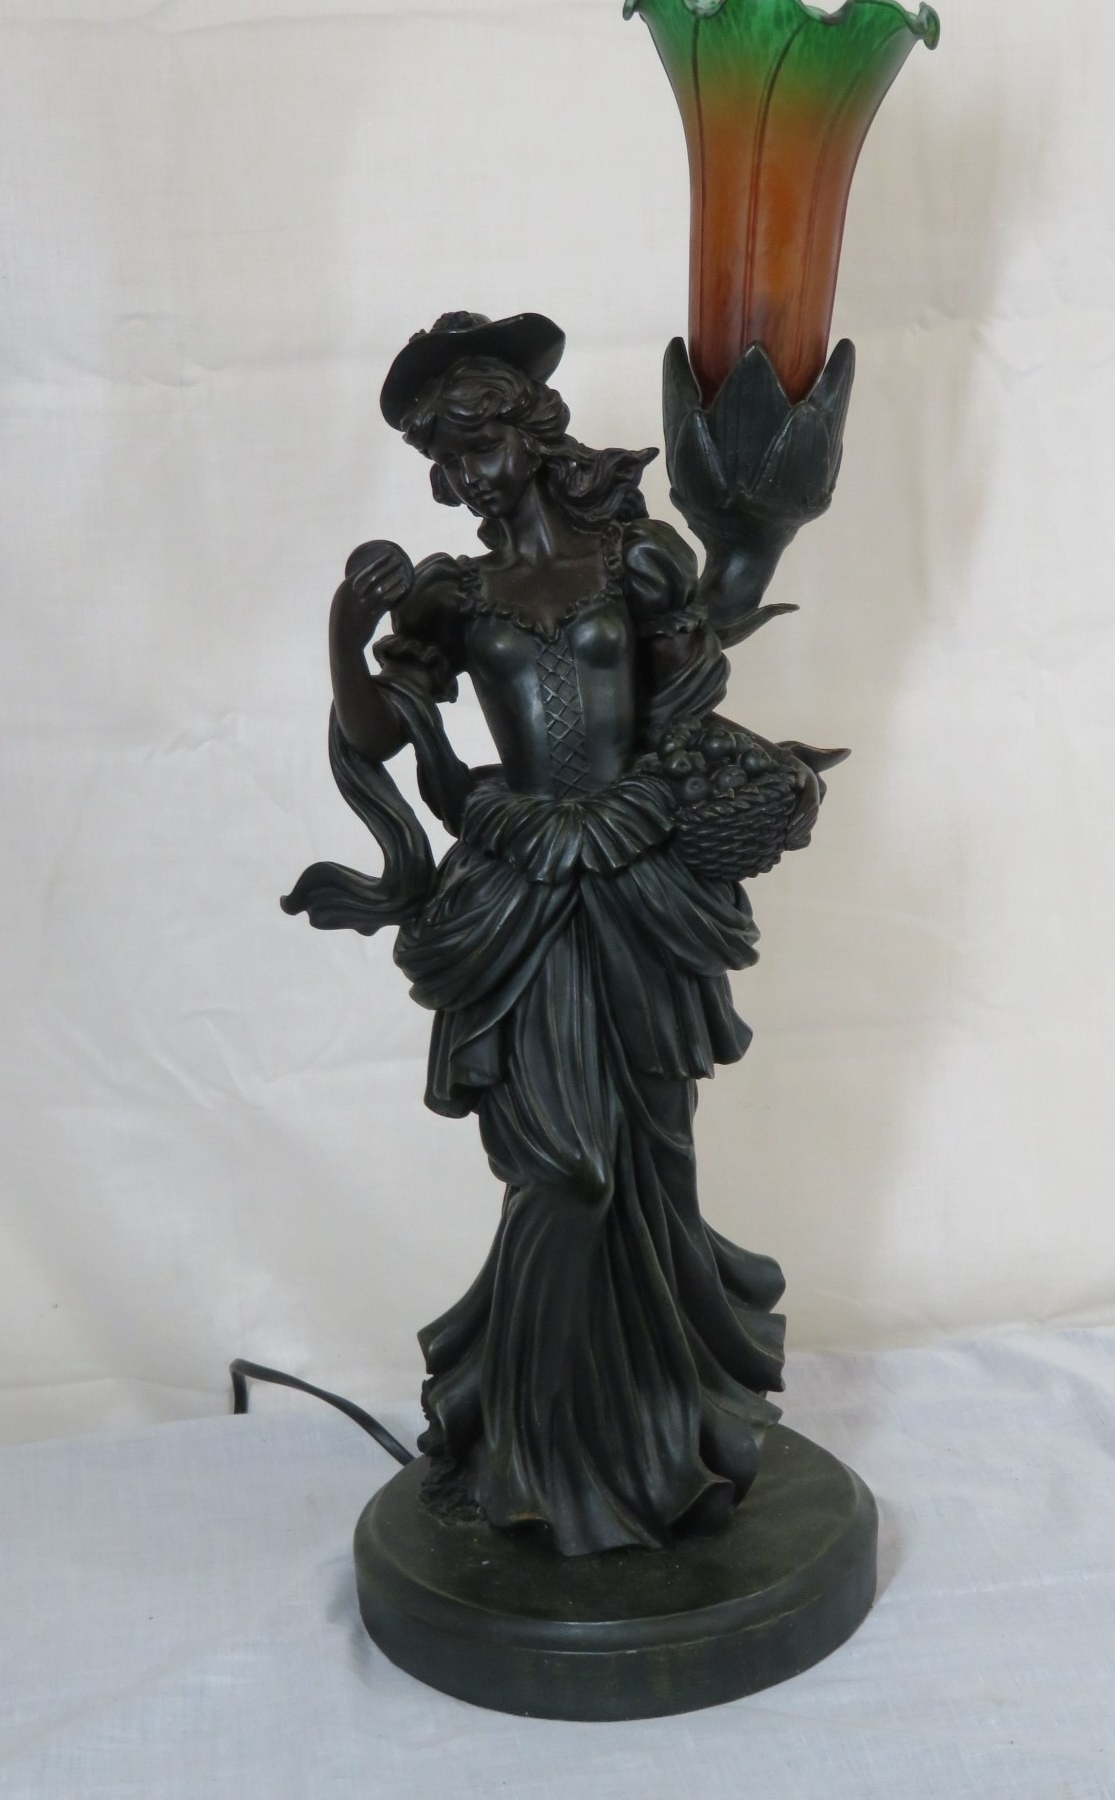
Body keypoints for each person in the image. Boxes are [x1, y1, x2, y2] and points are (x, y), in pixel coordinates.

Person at [285, 312, 821, 1557]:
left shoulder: (635, 562)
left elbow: (687, 703)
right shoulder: (452, 594)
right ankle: (521, 1438)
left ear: (529, 432)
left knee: (653, 1161)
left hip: (636, 883)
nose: (465, 476)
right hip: (518, 891)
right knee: (565, 1172)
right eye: (443, 459)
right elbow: (375, 736)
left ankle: (661, 1433)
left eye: (476, 444)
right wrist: (343, 632)